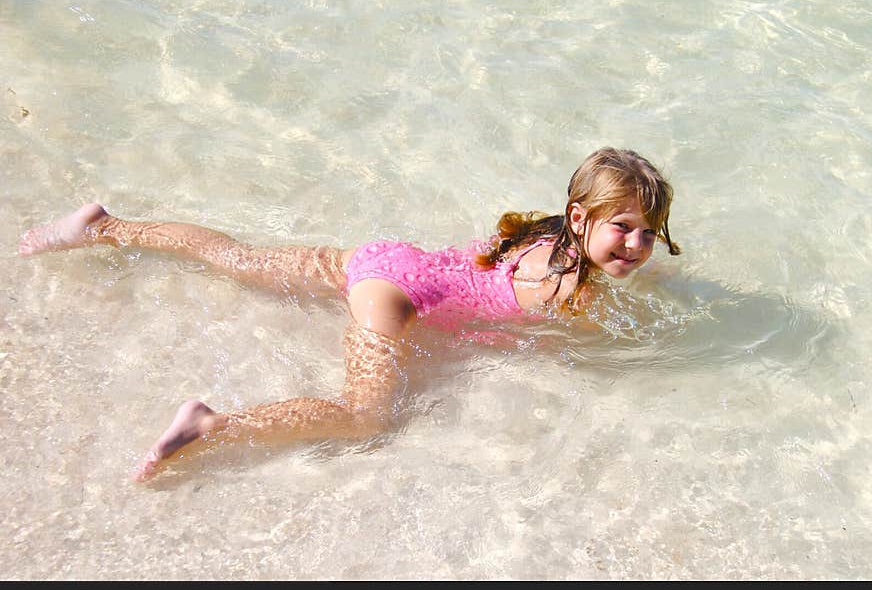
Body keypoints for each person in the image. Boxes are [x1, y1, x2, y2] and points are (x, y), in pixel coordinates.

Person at [18, 147, 680, 481]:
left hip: (384, 259)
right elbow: (533, 341)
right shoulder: (579, 294)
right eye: (624, 228)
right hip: (395, 299)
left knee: (238, 257)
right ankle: (213, 423)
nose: (637, 245)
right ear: (578, 220)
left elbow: (480, 279)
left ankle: (104, 227)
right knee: (366, 416)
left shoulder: (541, 235)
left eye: (649, 234)